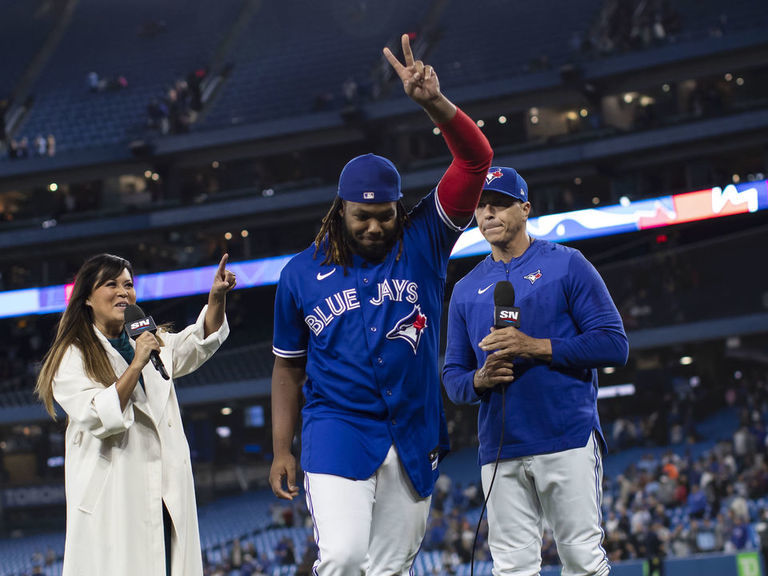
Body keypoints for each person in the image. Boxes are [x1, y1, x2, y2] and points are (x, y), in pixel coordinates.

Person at [269, 34, 493, 575]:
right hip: (337, 427)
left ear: (399, 208)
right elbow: (286, 368)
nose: (374, 226)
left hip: (413, 431)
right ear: (339, 210)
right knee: (343, 556)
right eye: (361, 216)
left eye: (385, 214)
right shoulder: (300, 272)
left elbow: (476, 160)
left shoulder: (424, 240)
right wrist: (281, 448)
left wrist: (434, 104)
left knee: (390, 567)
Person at [443, 167, 629, 576]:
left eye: (500, 204)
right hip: (500, 447)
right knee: (511, 568)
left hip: (566, 437)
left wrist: (536, 347)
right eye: (481, 206)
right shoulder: (464, 289)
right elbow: (453, 377)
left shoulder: (567, 265)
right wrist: (479, 379)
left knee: (581, 558)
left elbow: (615, 344)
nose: (488, 213)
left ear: (525, 209)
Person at [35, 252, 235, 576]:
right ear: (86, 297)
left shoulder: (149, 341)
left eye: (128, 284)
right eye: (111, 284)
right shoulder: (71, 356)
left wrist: (216, 300)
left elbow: (198, 342)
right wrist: (137, 362)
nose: (123, 292)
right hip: (116, 499)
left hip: (166, 493)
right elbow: (98, 416)